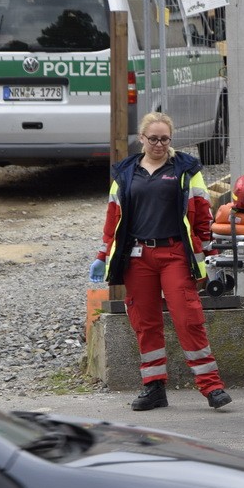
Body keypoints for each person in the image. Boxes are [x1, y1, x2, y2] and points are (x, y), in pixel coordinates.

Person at [89, 112, 231, 411]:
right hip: (138, 257)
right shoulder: (126, 172)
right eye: (152, 138)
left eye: (164, 139)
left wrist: (212, 257)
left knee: (187, 318)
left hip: (174, 254)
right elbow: (113, 217)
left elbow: (202, 214)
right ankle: (154, 388)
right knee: (145, 322)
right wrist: (103, 255)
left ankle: (212, 387)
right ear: (141, 138)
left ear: (171, 139)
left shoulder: (186, 169)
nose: (158, 144)